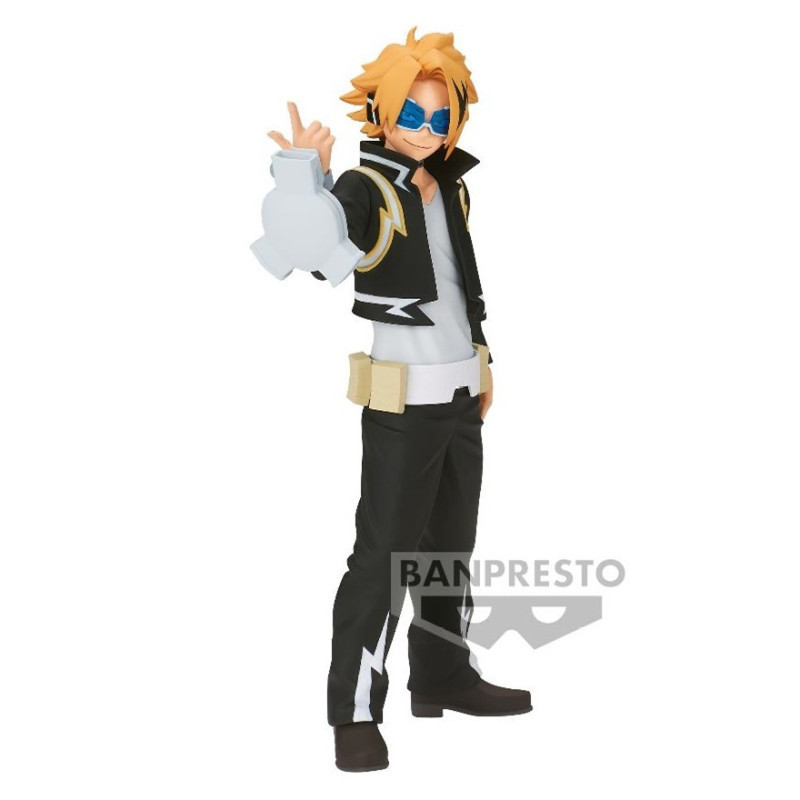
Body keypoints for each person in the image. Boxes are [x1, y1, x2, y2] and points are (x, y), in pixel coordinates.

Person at [257, 27, 531, 772]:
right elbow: (316, 253)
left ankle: (442, 675)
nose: (426, 129)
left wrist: (483, 364)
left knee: (449, 549)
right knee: (384, 559)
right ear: (380, 113)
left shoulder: (453, 187)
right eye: (411, 113)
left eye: (440, 117)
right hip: (402, 408)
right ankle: (353, 713)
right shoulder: (365, 188)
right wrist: (301, 177)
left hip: (461, 396)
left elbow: (459, 289)